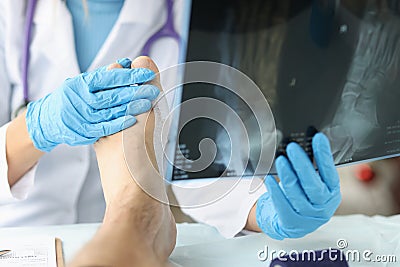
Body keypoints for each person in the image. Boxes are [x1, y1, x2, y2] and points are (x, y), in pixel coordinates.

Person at [0, 0, 341, 241]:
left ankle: (134, 223)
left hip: (106, 234)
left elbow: (199, 161)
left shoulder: (190, 15)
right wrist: (35, 128)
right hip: (14, 233)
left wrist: (264, 211)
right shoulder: (12, 11)